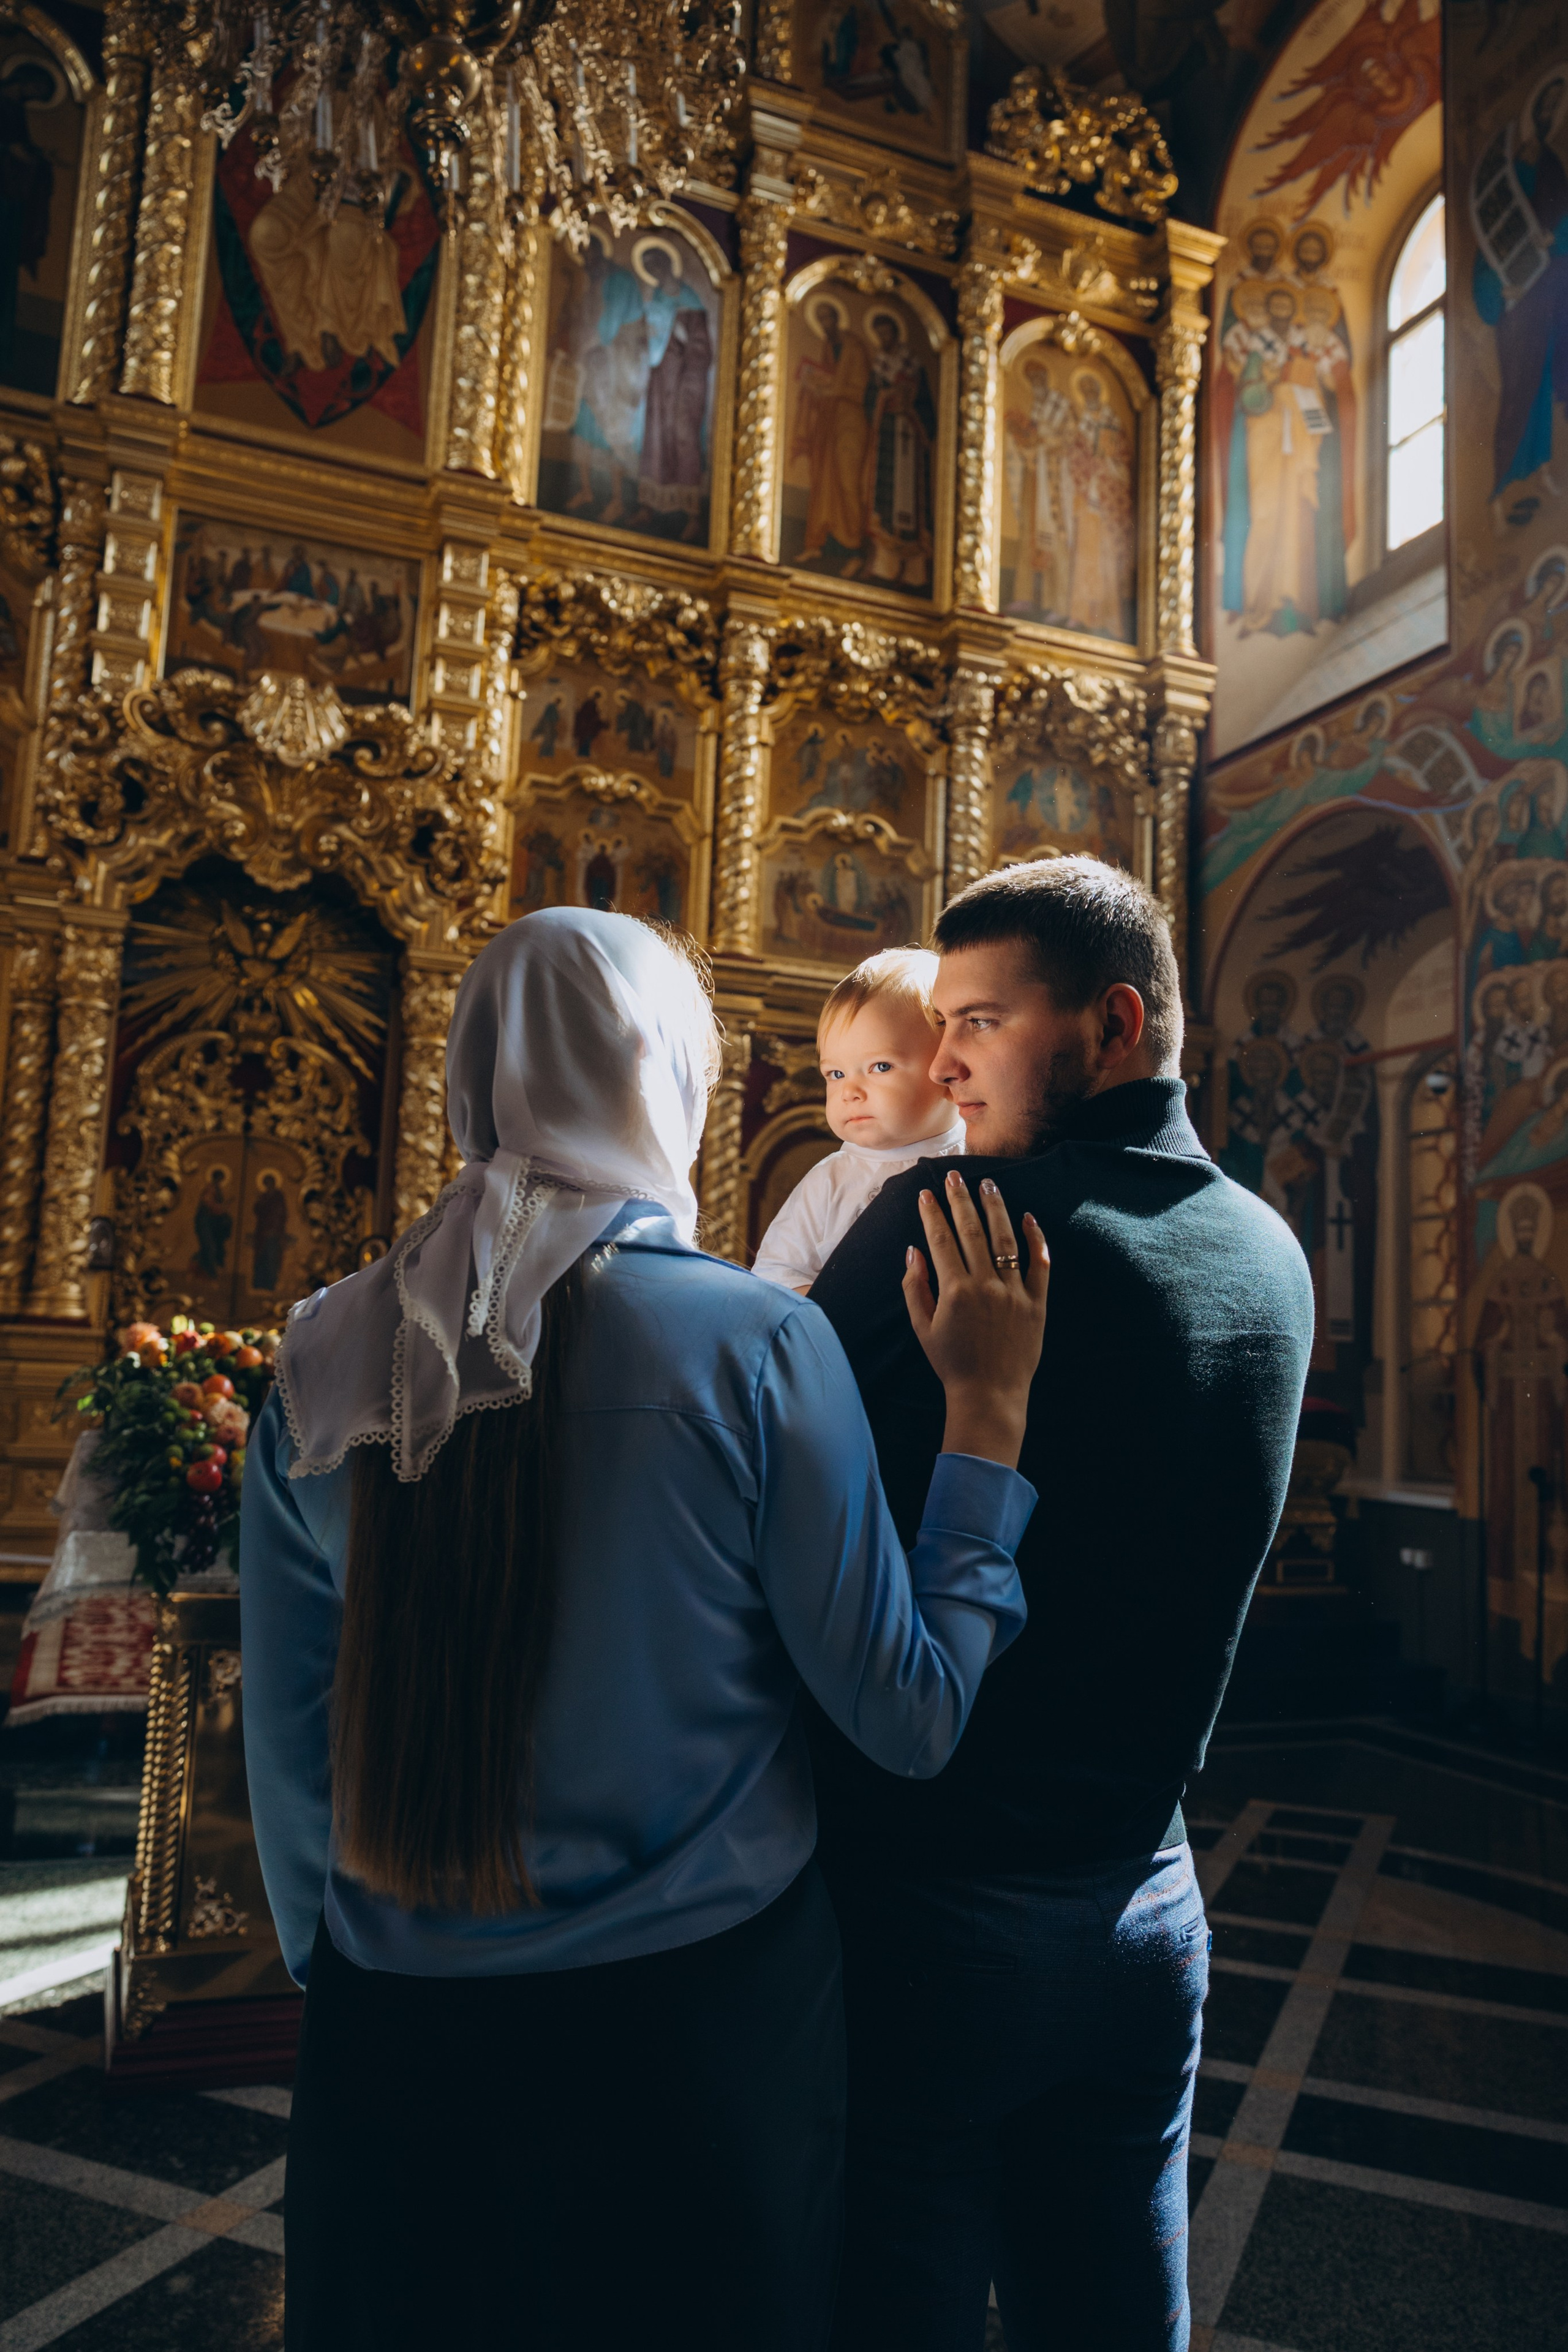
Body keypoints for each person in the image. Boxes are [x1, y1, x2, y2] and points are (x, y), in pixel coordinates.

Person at [239, 906, 1050, 2352]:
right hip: (699, 2035)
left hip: (397, 2038)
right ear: (671, 1077)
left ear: (470, 1067)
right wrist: (985, 1421)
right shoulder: (752, 1343)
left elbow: (293, 1741)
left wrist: (360, 1968)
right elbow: (906, 1716)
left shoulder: (320, 1351)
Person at [807, 858, 1313, 2352]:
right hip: (1147, 1899)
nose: (941, 1057)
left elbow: (759, 1502)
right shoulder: (1266, 1253)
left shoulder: (953, 1221)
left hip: (924, 1910)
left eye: (979, 1019)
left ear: (1108, 1021)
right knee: (1106, 2304)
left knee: (881, 2298)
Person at [753, 949, 964, 1293]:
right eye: (835, 1073)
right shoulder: (829, 1182)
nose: (849, 1091)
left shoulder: (982, 1157)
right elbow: (776, 1277)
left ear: (947, 1067)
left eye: (880, 1067)